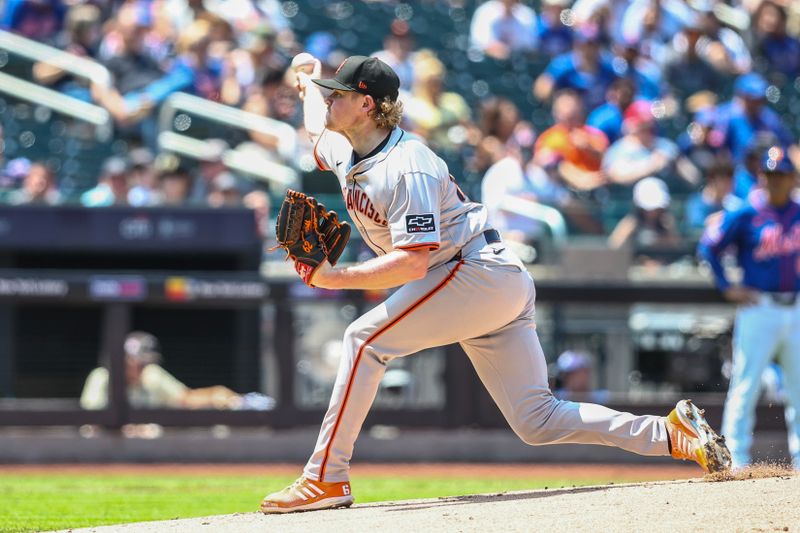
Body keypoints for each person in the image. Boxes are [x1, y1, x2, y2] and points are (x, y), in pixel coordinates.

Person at [259, 53, 731, 514]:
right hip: (482, 279)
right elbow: (316, 129)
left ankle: (325, 477)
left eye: (338, 95)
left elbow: (412, 264)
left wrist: (332, 278)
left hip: (473, 271)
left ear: (366, 105)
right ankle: (672, 434)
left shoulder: (408, 165)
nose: (329, 102)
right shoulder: (346, 145)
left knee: (362, 340)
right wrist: (307, 82)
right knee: (537, 420)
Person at [698, 146, 800, 471]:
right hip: (760, 308)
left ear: (792, 178)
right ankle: (735, 459)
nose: (775, 181)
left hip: (795, 309)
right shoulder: (746, 213)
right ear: (762, 178)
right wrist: (728, 287)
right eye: (770, 175)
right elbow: (709, 247)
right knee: (746, 384)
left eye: (781, 175)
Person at [80, 331, 242, 411]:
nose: (143, 367)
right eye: (139, 363)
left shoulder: (152, 374)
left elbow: (186, 398)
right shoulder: (101, 378)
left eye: (146, 363)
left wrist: (215, 393)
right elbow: (91, 422)